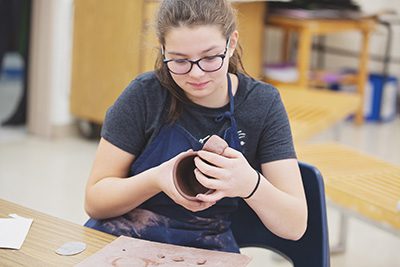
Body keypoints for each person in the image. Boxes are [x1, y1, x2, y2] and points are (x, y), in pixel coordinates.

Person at [84, 0, 307, 253]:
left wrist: (249, 184)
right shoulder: (144, 95)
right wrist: (156, 179)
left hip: (206, 243)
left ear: (231, 44)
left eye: (210, 58)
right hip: (125, 236)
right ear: (163, 51)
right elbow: (95, 201)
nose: (196, 74)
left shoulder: (262, 104)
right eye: (180, 61)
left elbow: (295, 225)